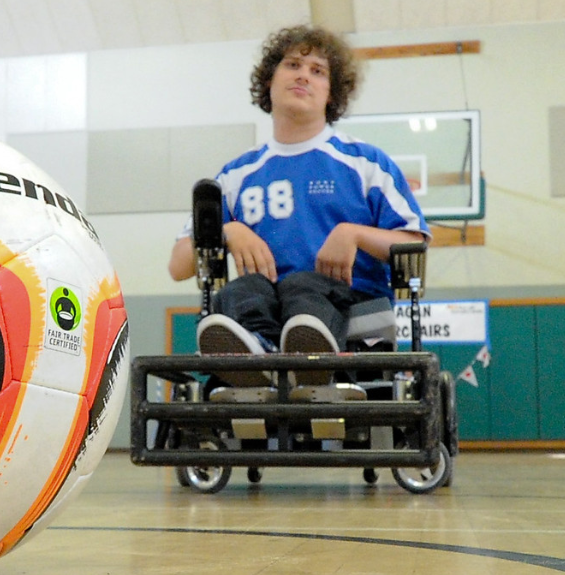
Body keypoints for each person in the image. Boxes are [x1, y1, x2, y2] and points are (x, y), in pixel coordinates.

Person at [168, 25, 429, 388]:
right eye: (293, 65)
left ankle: (311, 358)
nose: (304, 74)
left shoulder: (366, 163)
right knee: (240, 291)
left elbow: (414, 242)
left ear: (331, 93)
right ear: (269, 81)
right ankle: (257, 358)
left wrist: (353, 234)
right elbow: (178, 265)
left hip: (349, 301)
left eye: (318, 71)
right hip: (264, 305)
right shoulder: (237, 174)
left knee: (303, 285)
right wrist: (228, 230)